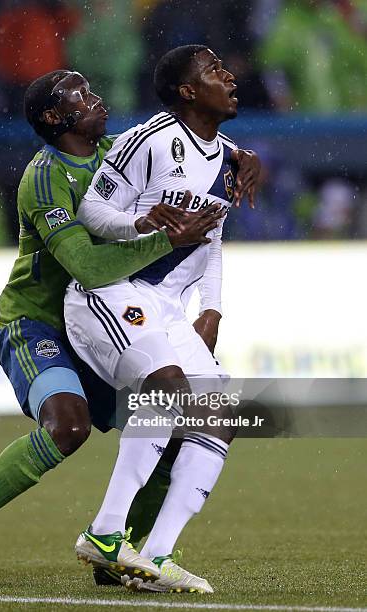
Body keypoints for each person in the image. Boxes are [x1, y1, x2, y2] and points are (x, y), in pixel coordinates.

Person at [0, 68, 232, 583]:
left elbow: (187, 150)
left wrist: (242, 157)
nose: (97, 99)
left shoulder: (118, 150)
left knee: (179, 420)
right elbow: (87, 268)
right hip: (38, 324)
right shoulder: (45, 177)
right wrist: (166, 242)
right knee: (68, 425)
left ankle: (123, 554)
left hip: (101, 321)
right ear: (53, 116)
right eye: (81, 94)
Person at [65, 45, 259, 593]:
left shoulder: (228, 158)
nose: (229, 75)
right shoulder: (148, 140)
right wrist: (142, 222)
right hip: (112, 289)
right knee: (170, 390)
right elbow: (93, 212)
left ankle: (157, 555)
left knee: (216, 411)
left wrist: (213, 308)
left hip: (169, 306)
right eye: (214, 70)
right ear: (187, 92)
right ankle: (105, 534)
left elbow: (213, 240)